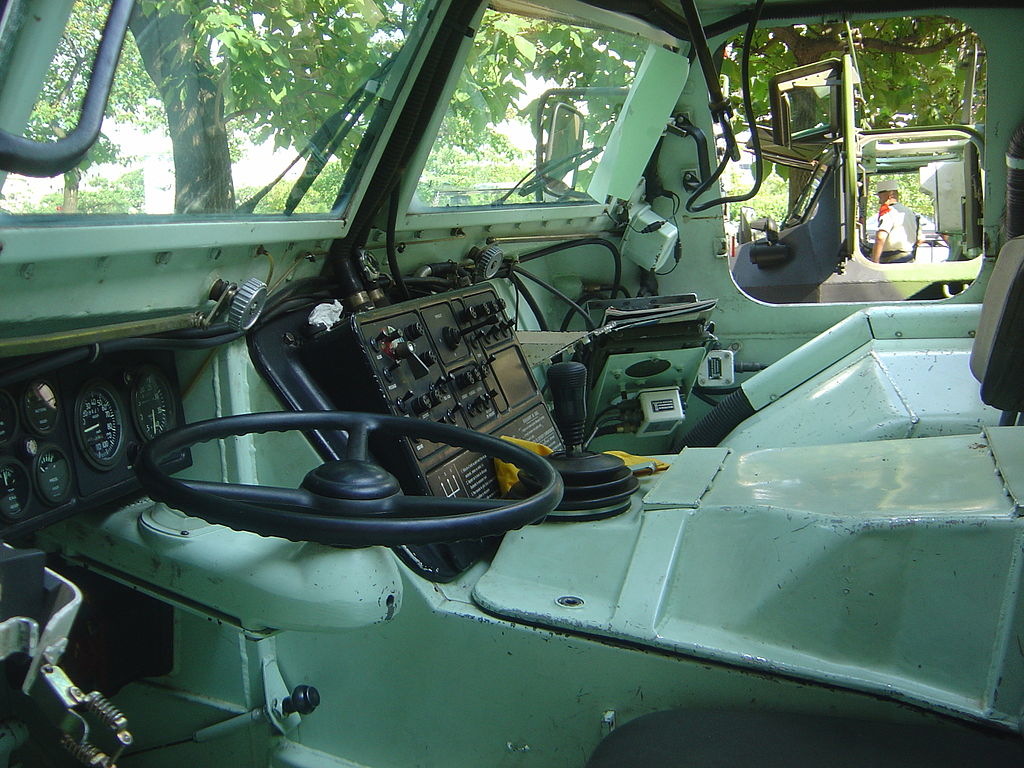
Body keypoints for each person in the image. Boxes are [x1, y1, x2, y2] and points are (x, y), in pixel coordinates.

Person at [871, 178, 920, 263]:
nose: (879, 201)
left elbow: (880, 237)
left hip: (892, 259)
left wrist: (874, 262)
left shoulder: (888, 212)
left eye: (880, 197)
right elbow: (920, 239)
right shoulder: (911, 213)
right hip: (909, 258)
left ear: (890, 195)